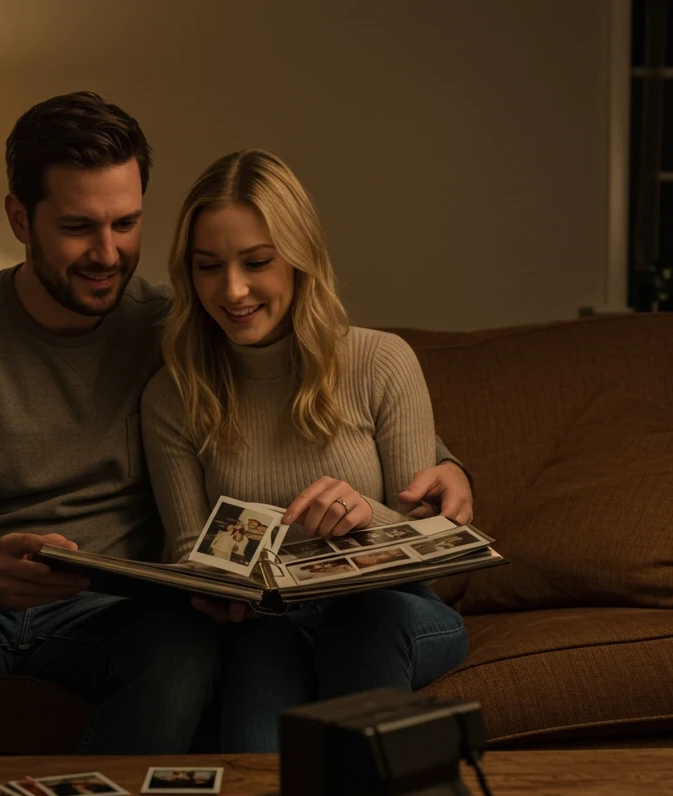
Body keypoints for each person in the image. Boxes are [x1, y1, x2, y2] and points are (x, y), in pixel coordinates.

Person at [0, 92, 472, 757]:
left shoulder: (181, 329)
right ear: (20, 219)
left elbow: (320, 394)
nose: (107, 254)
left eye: (126, 223)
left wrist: (446, 466)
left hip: (114, 611)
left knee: (187, 646)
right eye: (78, 227)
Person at [140, 149, 470, 753]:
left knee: (364, 626)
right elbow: (189, 551)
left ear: (300, 259)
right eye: (208, 266)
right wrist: (214, 589)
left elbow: (433, 554)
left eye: (257, 262)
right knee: (256, 698)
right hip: (268, 626)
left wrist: (368, 518)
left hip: (391, 611)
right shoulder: (174, 394)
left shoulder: (380, 361)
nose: (232, 290)